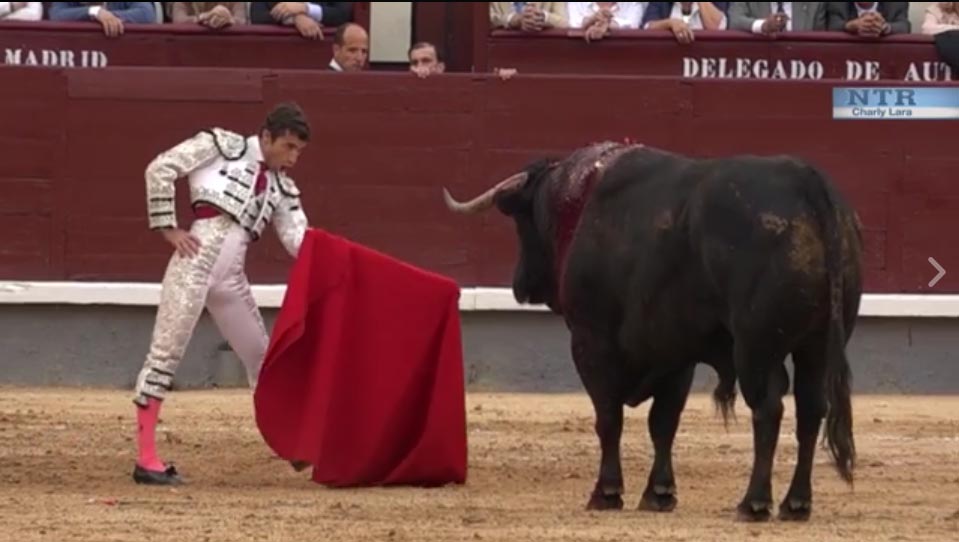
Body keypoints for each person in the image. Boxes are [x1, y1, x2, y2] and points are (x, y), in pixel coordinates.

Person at [132, 102, 312, 485]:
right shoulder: (220, 145)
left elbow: (298, 240)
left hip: (231, 279)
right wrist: (168, 228)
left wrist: (337, 255)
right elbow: (160, 168)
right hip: (193, 264)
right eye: (289, 147)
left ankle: (290, 442)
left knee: (262, 359)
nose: (293, 158)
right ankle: (146, 459)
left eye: (299, 150)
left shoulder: (282, 188)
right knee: (165, 354)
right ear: (266, 136)